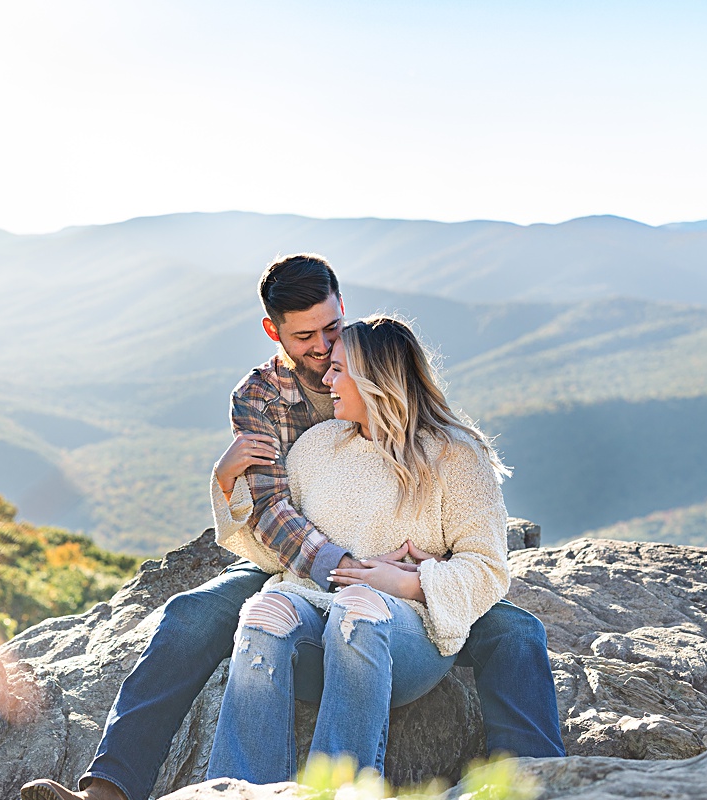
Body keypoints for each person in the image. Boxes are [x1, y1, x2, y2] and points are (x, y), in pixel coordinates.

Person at [21, 255, 564, 800]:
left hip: (397, 578)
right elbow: (273, 512)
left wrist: (410, 578)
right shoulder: (260, 397)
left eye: (333, 330)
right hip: (303, 563)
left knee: (517, 632)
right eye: (306, 337)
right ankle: (110, 791)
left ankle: (544, 784)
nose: (325, 350)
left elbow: (427, 451)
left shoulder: (385, 379)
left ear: (345, 314)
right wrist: (335, 560)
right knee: (191, 616)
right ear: (273, 331)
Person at [206, 315, 510, 781]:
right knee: (264, 611)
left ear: (375, 381)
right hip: (315, 619)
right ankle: (239, 790)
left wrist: (406, 582)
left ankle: (337, 792)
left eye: (339, 369)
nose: (325, 378)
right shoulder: (317, 447)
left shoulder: (456, 455)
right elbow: (278, 554)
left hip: (408, 640)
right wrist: (226, 488)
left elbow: (488, 569)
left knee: (359, 607)